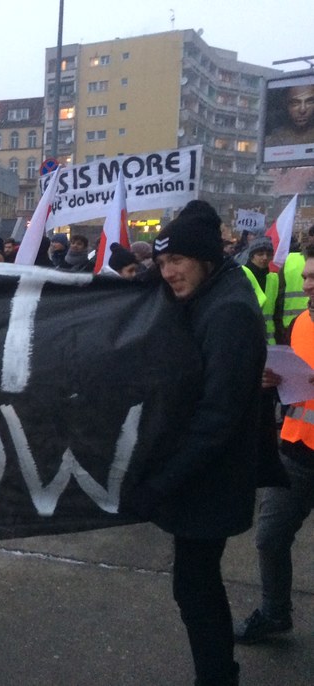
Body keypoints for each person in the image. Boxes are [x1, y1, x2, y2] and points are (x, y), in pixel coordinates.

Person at [122, 200, 267, 686]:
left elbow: (217, 417)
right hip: (206, 477)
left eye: (177, 261)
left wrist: (160, 482)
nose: (169, 273)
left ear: (205, 258)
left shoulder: (229, 312)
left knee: (197, 590)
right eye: (162, 263)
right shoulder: (213, 293)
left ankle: (219, 678)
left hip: (213, 480)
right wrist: (148, 278)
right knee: (196, 586)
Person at [233, 242, 314, 646]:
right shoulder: (302, 323)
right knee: (269, 537)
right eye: (309, 277)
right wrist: (271, 381)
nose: (308, 285)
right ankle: (274, 613)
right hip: (296, 450)